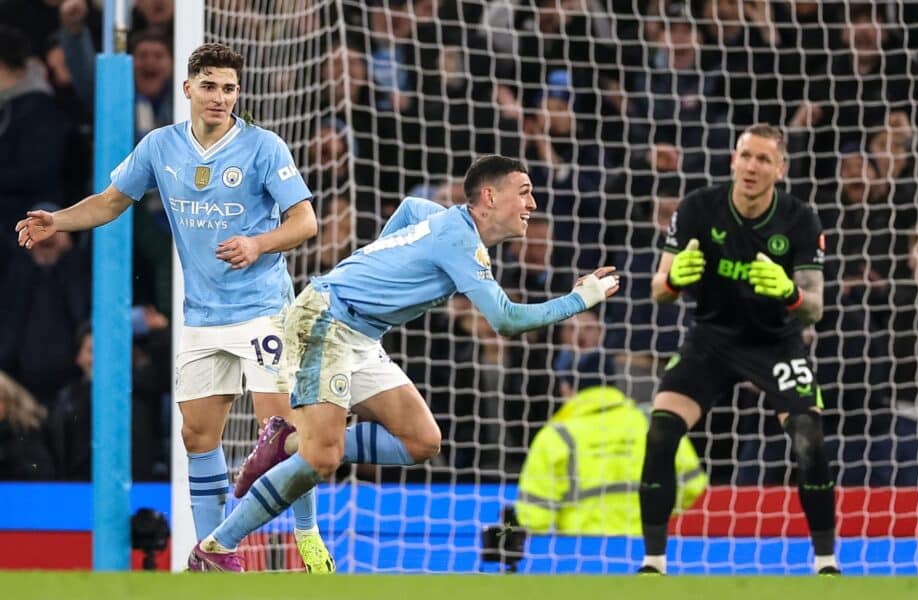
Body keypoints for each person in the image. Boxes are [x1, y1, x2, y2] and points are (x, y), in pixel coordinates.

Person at [186, 154, 620, 571]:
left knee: (422, 441)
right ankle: (217, 545)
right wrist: (580, 299)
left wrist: (382, 261)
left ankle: (290, 444)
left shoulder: (448, 220)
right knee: (324, 459)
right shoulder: (461, 240)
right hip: (327, 320)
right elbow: (506, 320)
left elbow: (412, 209)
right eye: (524, 192)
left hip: (362, 333)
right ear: (489, 197)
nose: (532, 204)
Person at [14, 43, 332, 572]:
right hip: (203, 316)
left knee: (282, 433)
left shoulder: (263, 146)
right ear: (188, 88)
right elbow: (112, 200)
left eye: (229, 88)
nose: (220, 97)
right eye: (209, 86)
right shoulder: (160, 146)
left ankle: (307, 532)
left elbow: (305, 222)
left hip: (263, 308)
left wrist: (258, 244)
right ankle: (216, 552)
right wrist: (59, 220)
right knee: (196, 435)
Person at [637, 124, 839, 576]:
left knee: (809, 441)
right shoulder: (696, 209)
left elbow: (815, 309)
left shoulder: (800, 219)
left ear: (780, 169)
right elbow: (659, 290)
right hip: (711, 340)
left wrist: (789, 293)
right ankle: (652, 563)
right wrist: (673, 280)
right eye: (746, 155)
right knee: (660, 433)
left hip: (777, 343)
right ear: (733, 160)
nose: (752, 166)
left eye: (764, 159)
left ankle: (826, 563)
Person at [514, 336, 706, 536]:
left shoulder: (556, 436)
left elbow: (534, 519)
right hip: (648, 548)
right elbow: (694, 487)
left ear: (566, 388)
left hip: (582, 554)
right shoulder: (654, 423)